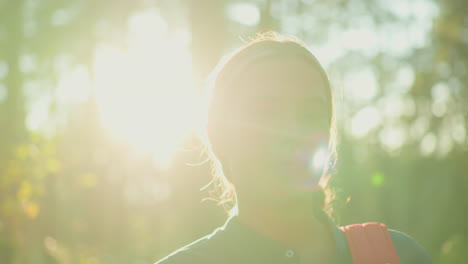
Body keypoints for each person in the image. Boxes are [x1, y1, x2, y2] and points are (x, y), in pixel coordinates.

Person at [155, 33, 432, 264]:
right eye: (265, 113)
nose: (292, 132)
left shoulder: (396, 255)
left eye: (311, 114)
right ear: (220, 138)